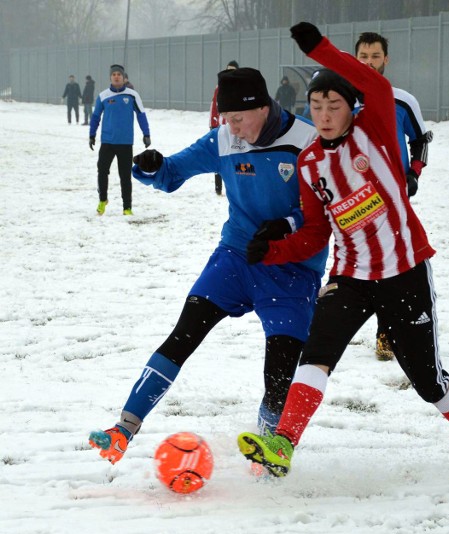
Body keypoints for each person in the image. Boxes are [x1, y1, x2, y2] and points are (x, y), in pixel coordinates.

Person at [238, 22, 449, 481]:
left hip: (405, 270)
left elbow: (373, 82)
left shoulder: (374, 129)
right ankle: (283, 443)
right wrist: (272, 251)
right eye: (315, 107)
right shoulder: (310, 161)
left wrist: (319, 49)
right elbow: (316, 232)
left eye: (333, 105)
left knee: (428, 381)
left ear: (351, 107)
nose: (324, 115)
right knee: (316, 353)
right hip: (351, 275)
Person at [88, 67, 327, 466]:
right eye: (225, 119)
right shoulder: (224, 138)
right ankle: (123, 429)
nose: (231, 127)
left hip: (293, 268)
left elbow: (322, 209)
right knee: (185, 331)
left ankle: (268, 453)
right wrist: (149, 167)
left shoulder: (307, 141)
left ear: (263, 107)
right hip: (236, 258)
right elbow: (172, 172)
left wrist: (286, 227)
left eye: (237, 118)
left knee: (280, 367)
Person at [355, 31, 434, 361]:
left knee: (392, 264)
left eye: (375, 56)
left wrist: (413, 174)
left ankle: (385, 333)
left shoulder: (402, 100)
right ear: (354, 58)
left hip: (391, 199)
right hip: (351, 199)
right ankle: (328, 326)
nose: (370, 62)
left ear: (386, 59)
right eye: (364, 56)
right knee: (353, 265)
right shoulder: (340, 97)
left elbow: (421, 141)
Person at [89, 64, 151, 216]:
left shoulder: (132, 95)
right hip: (107, 142)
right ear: (110, 77)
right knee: (102, 171)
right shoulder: (103, 96)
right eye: (114, 74)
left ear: (124, 78)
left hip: (125, 142)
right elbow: (96, 116)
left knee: (125, 175)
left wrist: (146, 133)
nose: (116, 76)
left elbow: (141, 115)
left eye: (119, 74)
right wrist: (92, 134)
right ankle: (103, 199)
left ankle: (127, 207)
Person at [209, 60, 239, 195]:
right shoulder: (218, 88)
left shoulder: (241, 87)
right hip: (220, 127)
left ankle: (234, 186)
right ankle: (218, 187)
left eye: (232, 70)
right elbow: (214, 107)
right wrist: (213, 124)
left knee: (234, 157)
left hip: (235, 128)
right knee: (219, 156)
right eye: (227, 70)